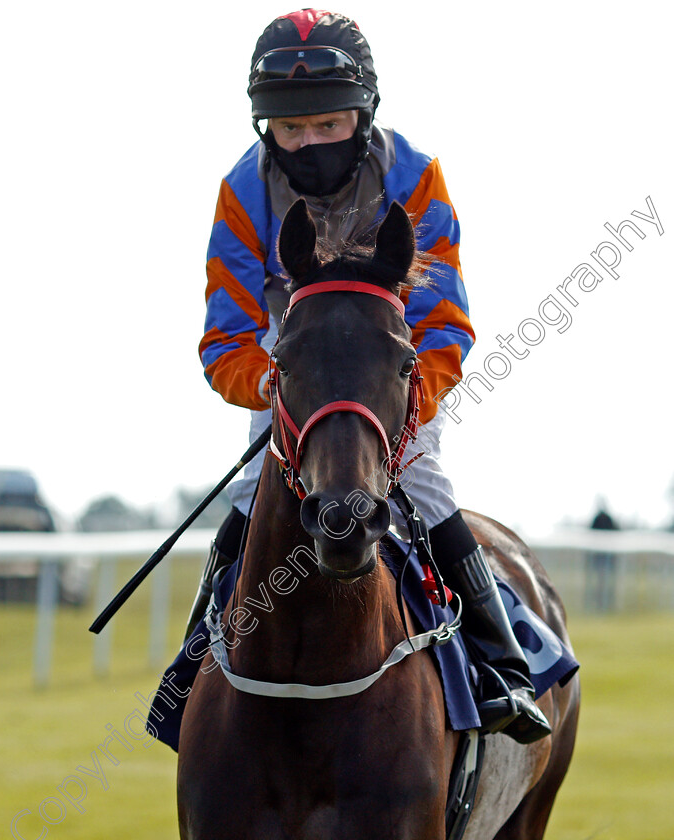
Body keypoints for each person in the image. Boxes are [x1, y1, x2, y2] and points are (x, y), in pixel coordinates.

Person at [188, 8, 550, 744]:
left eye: (326, 124)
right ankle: (192, 661)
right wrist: (267, 385)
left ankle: (504, 662)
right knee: (245, 492)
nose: (308, 141)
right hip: (290, 366)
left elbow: (443, 318)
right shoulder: (240, 189)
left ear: (363, 112)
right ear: (266, 127)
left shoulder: (416, 174)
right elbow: (225, 334)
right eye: (290, 129)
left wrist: (405, 400)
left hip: (392, 368)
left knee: (421, 479)